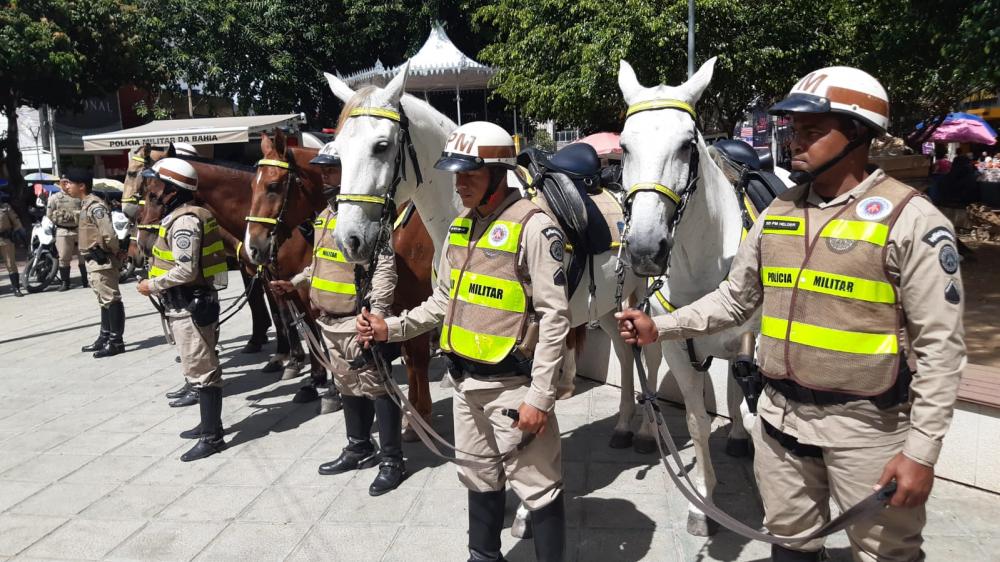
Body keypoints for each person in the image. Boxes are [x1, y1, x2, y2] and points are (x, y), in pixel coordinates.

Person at [617, 67, 965, 561]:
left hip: (865, 431)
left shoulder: (911, 221)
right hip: (780, 425)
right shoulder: (776, 216)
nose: (795, 142)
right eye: (792, 130)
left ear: (859, 133)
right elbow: (735, 300)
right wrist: (662, 325)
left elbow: (940, 352)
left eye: (812, 130)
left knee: (885, 553)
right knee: (792, 549)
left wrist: (922, 452)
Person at [358, 121, 571, 561]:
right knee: (478, 478)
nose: (460, 183)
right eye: (456, 174)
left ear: (499, 174)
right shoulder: (458, 228)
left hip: (514, 388)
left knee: (539, 490)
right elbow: (441, 303)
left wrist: (541, 397)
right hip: (465, 384)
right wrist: (390, 329)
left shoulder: (535, 227)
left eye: (471, 174)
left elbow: (555, 318)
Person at [269, 142, 405, 496]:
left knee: (378, 389)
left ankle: (392, 460)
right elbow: (321, 263)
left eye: (332, 169)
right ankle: (359, 446)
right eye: (323, 169)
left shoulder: (370, 218)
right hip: (328, 321)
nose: (325, 175)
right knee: (346, 388)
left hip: (355, 321)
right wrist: (296, 282)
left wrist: (376, 315)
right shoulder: (326, 217)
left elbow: (385, 270)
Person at [137, 158, 229, 460]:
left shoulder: (185, 221)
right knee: (197, 367)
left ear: (174, 191)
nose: (154, 191)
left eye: (159, 186)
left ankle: (212, 437)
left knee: (203, 372)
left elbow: (185, 270)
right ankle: (208, 424)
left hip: (190, 304)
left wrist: (152, 285)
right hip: (187, 303)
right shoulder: (182, 215)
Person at [66, 168, 125, 357]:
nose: (66, 187)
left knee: (111, 299)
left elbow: (109, 233)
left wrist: (116, 253)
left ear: (81, 186)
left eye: (69, 183)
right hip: (93, 260)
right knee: (103, 300)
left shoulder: (95, 206)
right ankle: (105, 336)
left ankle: (116, 341)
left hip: (102, 260)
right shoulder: (85, 204)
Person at [47, 179, 86, 291]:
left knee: (83, 255)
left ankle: (85, 280)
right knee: (64, 257)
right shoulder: (54, 198)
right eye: (63, 182)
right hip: (63, 231)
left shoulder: (78, 196)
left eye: (68, 182)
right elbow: (49, 215)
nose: (65, 184)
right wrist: (61, 218)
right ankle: (65, 283)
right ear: (60, 184)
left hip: (79, 229)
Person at [0, 191, 26, 297]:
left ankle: (16, 288)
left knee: (11, 264)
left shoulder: (5, 208)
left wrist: (15, 232)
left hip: (6, 239)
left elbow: (16, 222)